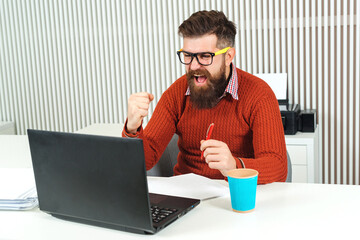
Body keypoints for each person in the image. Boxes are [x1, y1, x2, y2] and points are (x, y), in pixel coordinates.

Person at [122, 10, 287, 184]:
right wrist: (133, 129)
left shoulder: (259, 94)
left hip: (235, 196)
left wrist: (234, 166)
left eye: (205, 56)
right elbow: (146, 160)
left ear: (228, 56)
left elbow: (277, 167)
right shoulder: (176, 94)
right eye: (188, 55)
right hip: (187, 196)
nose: (193, 66)